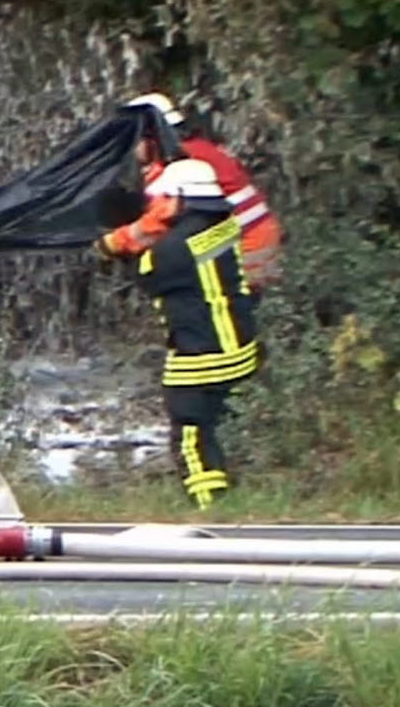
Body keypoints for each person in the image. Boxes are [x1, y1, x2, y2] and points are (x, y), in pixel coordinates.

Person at [94, 158, 260, 508]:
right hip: (243, 347)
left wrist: (116, 238)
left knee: (191, 433)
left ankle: (209, 503)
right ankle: (233, 490)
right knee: (221, 422)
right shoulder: (226, 227)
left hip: (202, 355)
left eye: (160, 200)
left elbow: (140, 270)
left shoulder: (171, 252)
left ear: (177, 199)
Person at [116, 93, 283, 290]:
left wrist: (114, 242)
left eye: (135, 140)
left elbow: (161, 220)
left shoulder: (177, 164)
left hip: (244, 243)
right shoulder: (201, 149)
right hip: (259, 235)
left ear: (150, 137)